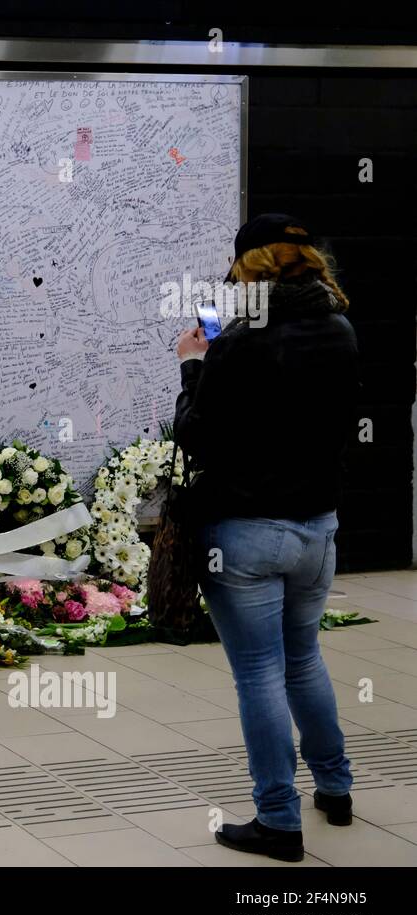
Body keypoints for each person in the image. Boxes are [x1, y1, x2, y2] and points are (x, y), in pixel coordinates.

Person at [173, 213, 359, 862]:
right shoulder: (340, 329)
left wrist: (195, 364)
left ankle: (278, 821)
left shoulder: (241, 342)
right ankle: (335, 789)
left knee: (259, 673)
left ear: (249, 269)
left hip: (246, 534)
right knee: (304, 658)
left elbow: (197, 435)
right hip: (317, 529)